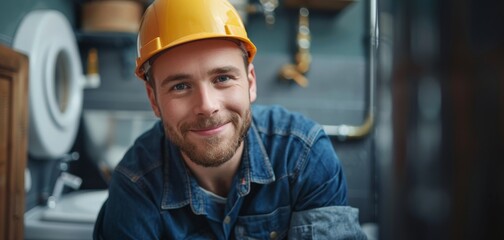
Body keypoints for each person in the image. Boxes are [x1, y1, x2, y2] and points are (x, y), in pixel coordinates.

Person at [93, 0, 367, 239]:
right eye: (180, 86)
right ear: (154, 100)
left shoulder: (304, 156)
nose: (207, 106)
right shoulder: (135, 184)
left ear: (250, 82)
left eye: (222, 78)